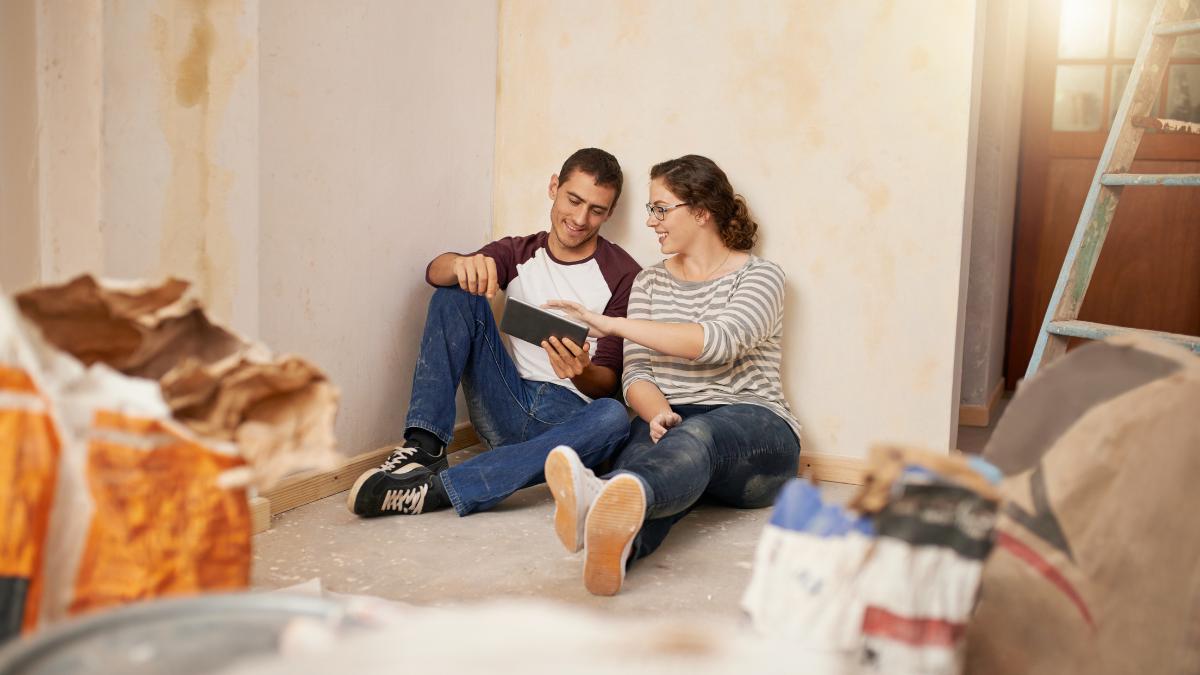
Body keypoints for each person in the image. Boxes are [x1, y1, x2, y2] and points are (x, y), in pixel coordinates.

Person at [544, 154, 801, 596]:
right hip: (674, 423)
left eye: (660, 209)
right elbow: (636, 373)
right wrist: (659, 412)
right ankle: (617, 550)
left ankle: (596, 494)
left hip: (755, 428)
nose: (651, 222)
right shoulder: (649, 284)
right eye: (651, 210)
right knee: (637, 467)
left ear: (700, 211)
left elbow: (718, 340)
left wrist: (612, 324)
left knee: (699, 435)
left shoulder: (762, 276)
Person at [347, 148, 641, 518]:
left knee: (613, 416)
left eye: (596, 210)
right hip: (507, 400)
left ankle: (436, 492)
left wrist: (582, 371)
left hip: (569, 422)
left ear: (609, 213)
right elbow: (435, 272)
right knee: (455, 293)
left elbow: (608, 380)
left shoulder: (624, 274)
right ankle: (425, 446)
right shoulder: (520, 252)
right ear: (554, 187)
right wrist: (461, 264)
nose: (580, 218)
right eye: (574, 200)